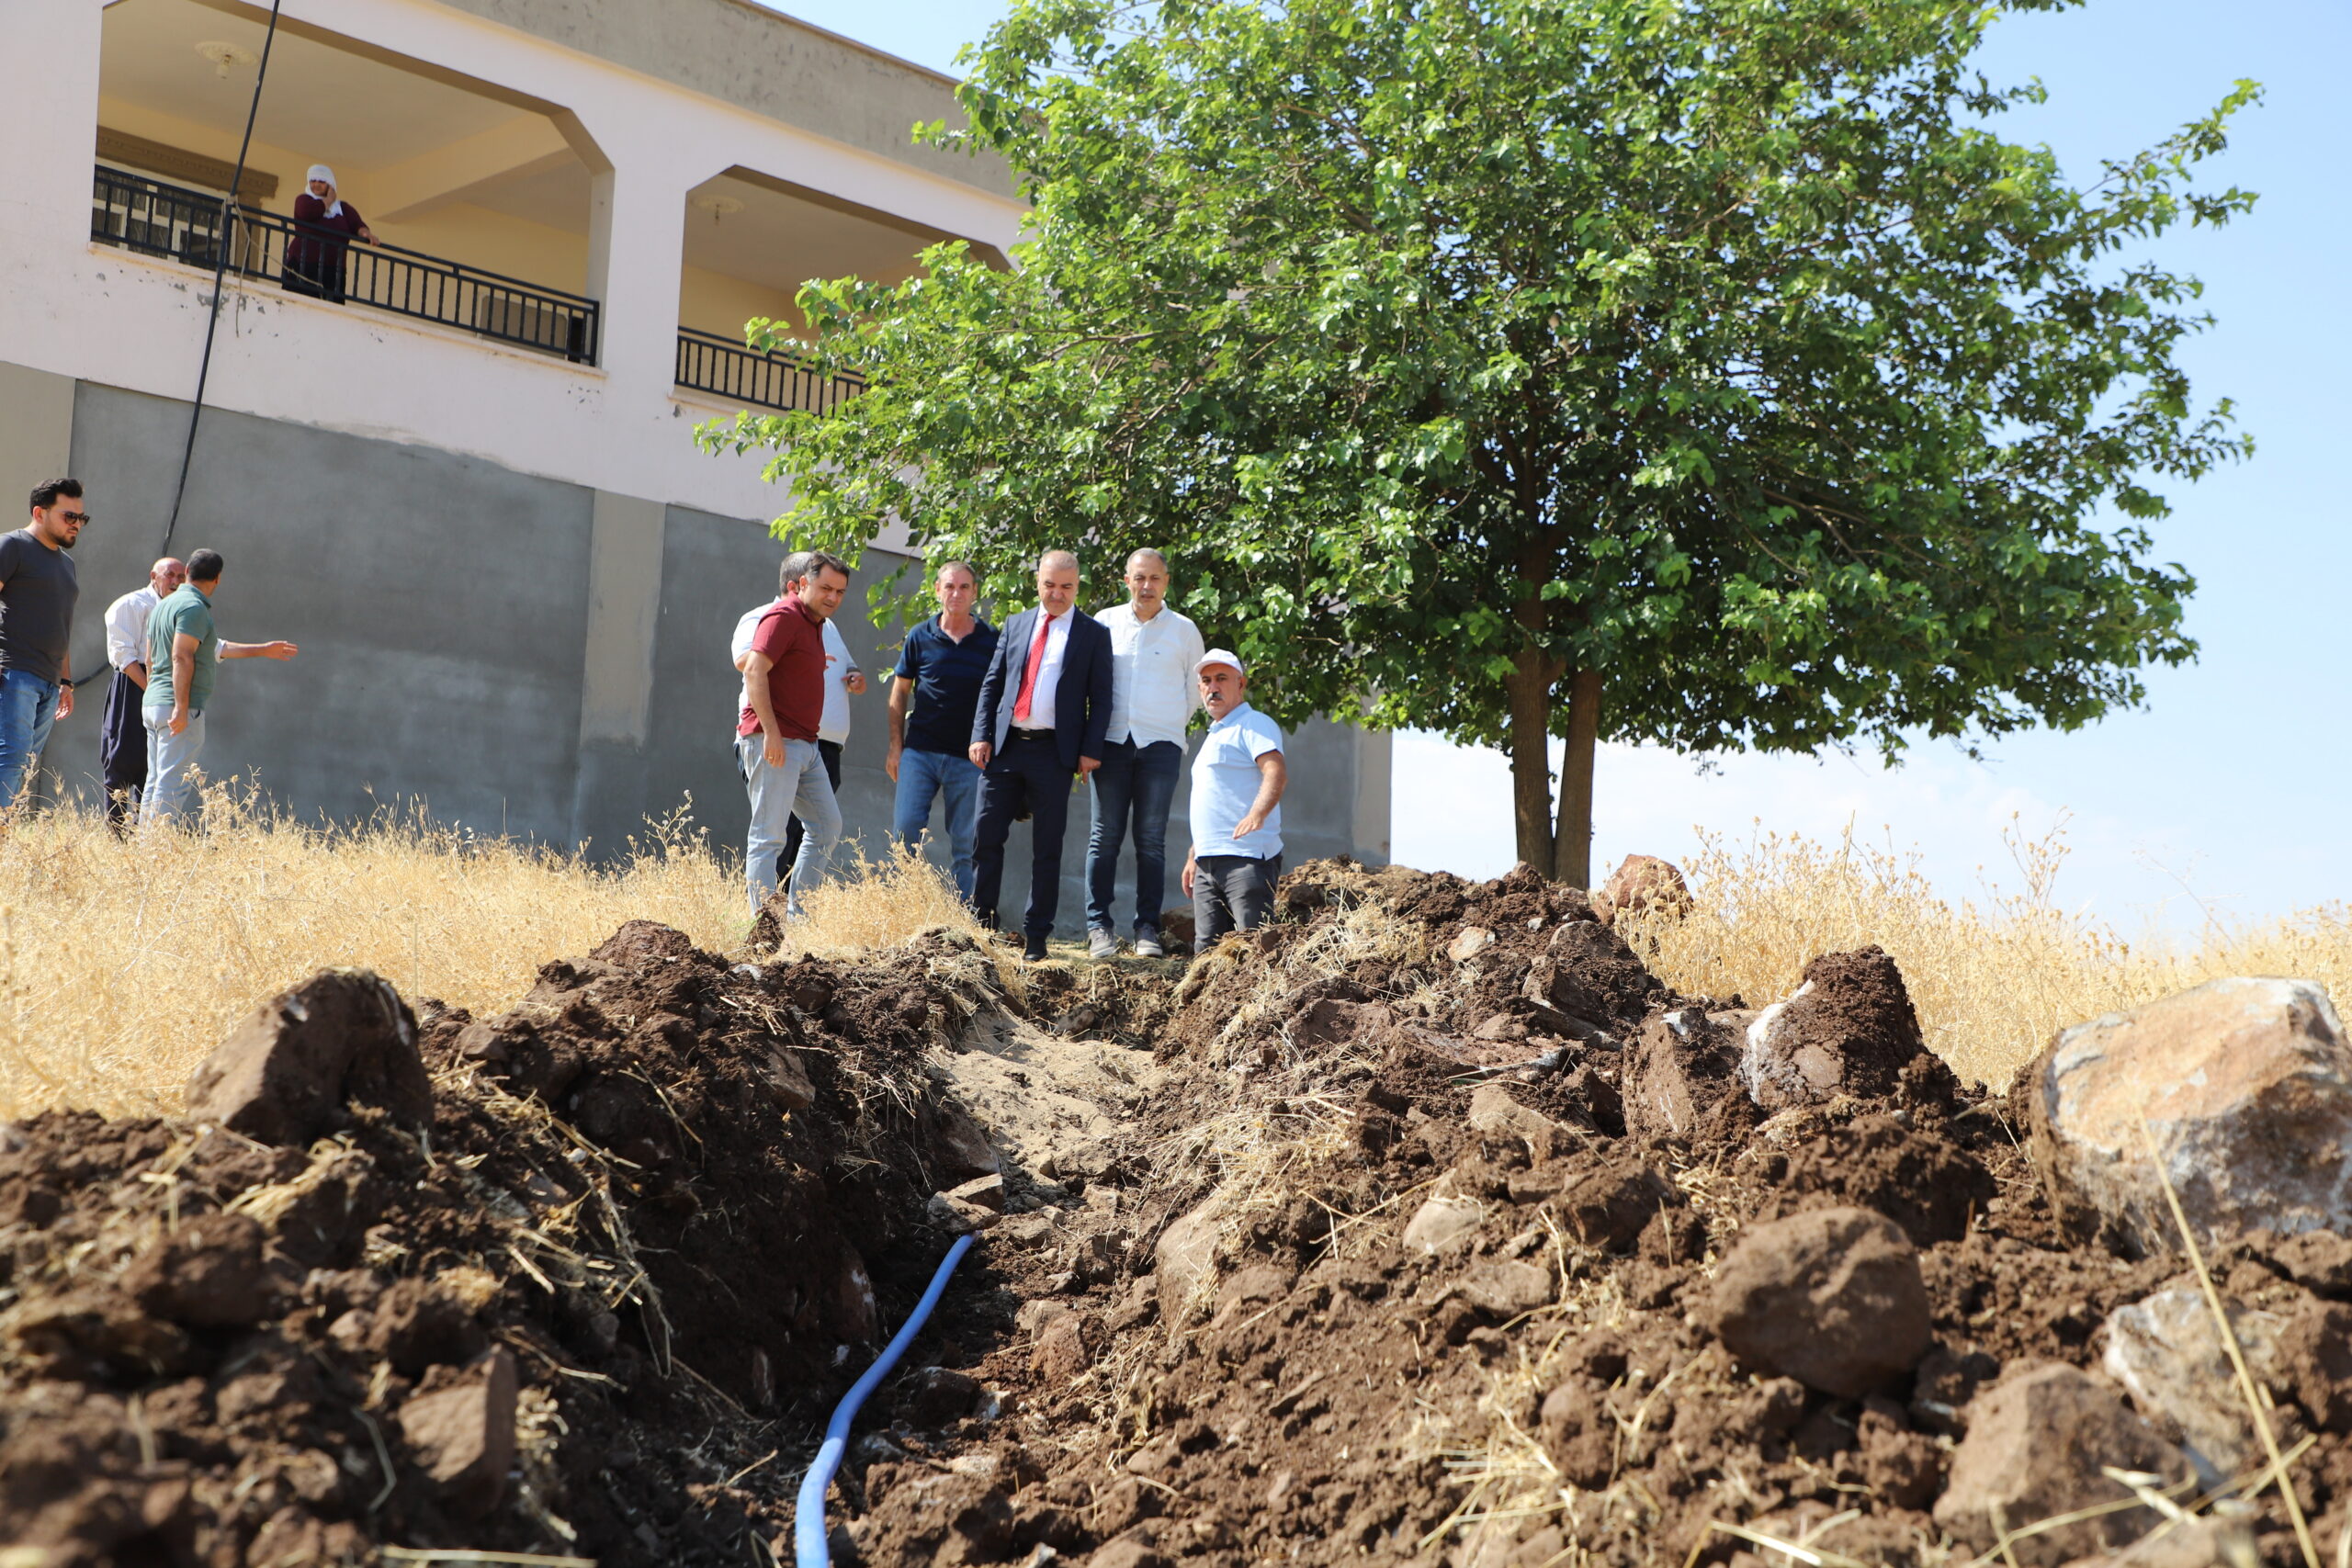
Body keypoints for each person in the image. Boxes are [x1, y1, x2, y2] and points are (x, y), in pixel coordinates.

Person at [969, 549, 1112, 964]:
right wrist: (981, 735)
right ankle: (982, 926)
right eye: (1050, 585)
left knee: (1047, 848)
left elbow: (1101, 699)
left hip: (1055, 752)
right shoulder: (1016, 624)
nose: (1057, 594)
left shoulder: (1092, 634)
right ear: (1038, 583)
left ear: (1077, 586)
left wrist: (1090, 750)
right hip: (1006, 746)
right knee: (985, 836)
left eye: (1066, 586)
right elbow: (992, 685)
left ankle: (1036, 936)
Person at [1085, 547, 1205, 958]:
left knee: (1151, 841)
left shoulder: (1185, 630)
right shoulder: (1104, 624)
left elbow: (1195, 692)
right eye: (1139, 578)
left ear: (1166, 582)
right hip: (1112, 743)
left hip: (1161, 747)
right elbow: (1092, 684)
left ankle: (1147, 929)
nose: (1147, 586)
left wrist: (1167, 726)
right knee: (1103, 838)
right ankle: (1098, 927)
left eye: (1154, 578)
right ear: (1127, 581)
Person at [141, 549, 300, 828]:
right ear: (217, 579)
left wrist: (264, 649)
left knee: (155, 780)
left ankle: (144, 846)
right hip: (178, 707)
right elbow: (181, 656)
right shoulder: (193, 608)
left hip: (154, 703)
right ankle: (153, 850)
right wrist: (180, 706)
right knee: (171, 783)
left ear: (188, 570)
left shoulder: (164, 605)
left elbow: (152, 659)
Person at [733, 555, 863, 892]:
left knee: (826, 827)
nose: (833, 597)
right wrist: (772, 734)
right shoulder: (784, 615)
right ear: (802, 584)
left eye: (840, 591)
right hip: (775, 740)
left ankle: (797, 921)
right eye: (826, 588)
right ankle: (760, 930)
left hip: (808, 743)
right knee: (769, 837)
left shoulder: (818, 623)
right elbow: (752, 670)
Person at [888, 560, 996, 900]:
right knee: (905, 835)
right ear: (937, 590)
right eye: (949, 586)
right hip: (919, 753)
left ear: (975, 593)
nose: (956, 593)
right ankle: (901, 911)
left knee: (966, 844)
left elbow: (1000, 698)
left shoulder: (992, 640)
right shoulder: (920, 635)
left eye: (964, 587)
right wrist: (896, 747)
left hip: (969, 759)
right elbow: (900, 691)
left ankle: (963, 921)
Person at [1182, 649, 1288, 942]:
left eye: (1221, 679)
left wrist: (1257, 814)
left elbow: (1275, 772)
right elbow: (1215, 800)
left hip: (1246, 858)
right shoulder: (1215, 734)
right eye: (1206, 681)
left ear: (1241, 684)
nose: (1212, 687)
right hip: (1207, 863)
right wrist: (1195, 853)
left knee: (1255, 946)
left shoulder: (1254, 724)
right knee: (1207, 957)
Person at [0, 479, 88, 809]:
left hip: (49, 683)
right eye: (69, 516)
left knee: (23, 767)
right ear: (39, 512)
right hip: (14, 673)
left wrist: (66, 680)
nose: (77, 524)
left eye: (82, 518)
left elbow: (61, 625)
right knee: (10, 757)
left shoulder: (67, 565)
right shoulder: (12, 546)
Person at [99, 556, 187, 829]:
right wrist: (152, 690)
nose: (175, 582)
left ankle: (143, 835)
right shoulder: (131, 604)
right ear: (154, 576)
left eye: (180, 577)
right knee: (122, 758)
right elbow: (124, 658)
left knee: (153, 765)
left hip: (162, 687)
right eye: (169, 575)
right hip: (135, 685)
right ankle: (116, 834)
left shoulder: (179, 610)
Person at [284, 164, 376, 304]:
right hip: (303, 266)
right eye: (313, 180)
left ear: (330, 184)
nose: (316, 185)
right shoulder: (304, 200)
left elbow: (357, 224)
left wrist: (366, 234)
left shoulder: (343, 208)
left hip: (334, 270)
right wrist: (328, 200)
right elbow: (307, 212)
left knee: (333, 310)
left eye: (321, 181)